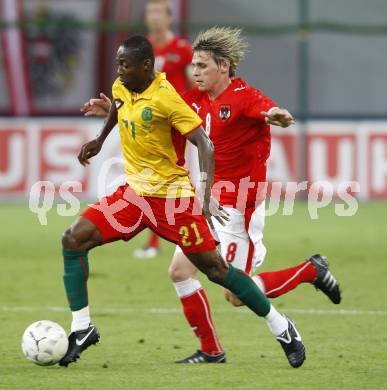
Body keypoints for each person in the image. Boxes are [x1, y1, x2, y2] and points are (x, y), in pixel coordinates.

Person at [81, 28, 341, 364]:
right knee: (179, 272)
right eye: (194, 65)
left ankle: (310, 271)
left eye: (203, 65)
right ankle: (211, 350)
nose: (196, 71)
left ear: (224, 66)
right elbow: (154, 113)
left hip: (237, 207)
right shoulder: (193, 99)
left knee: (234, 294)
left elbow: (267, 110)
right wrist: (113, 109)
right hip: (204, 205)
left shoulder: (245, 96)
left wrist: (275, 114)